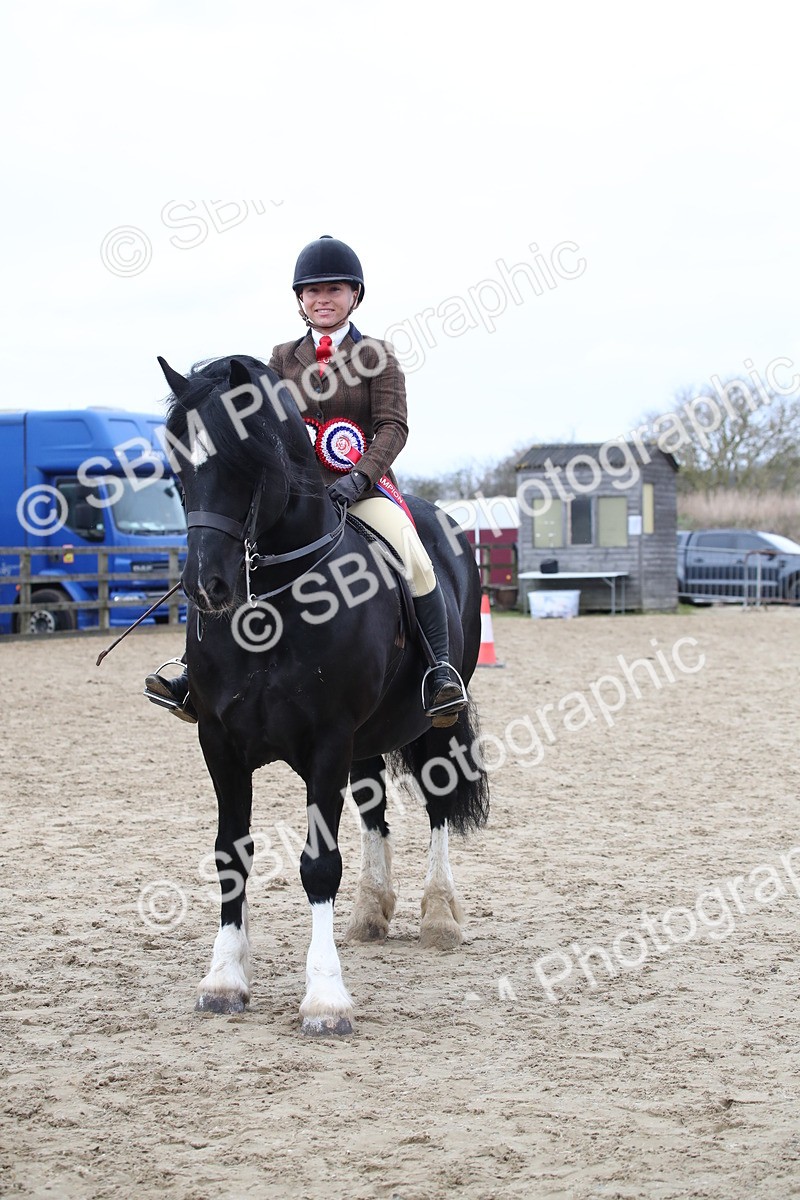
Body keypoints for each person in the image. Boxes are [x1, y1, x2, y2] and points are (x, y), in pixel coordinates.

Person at [144, 235, 467, 728]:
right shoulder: (280, 358)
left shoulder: (378, 355)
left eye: (334, 289)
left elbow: (393, 427)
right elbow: (264, 429)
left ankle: (439, 671)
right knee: (225, 554)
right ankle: (196, 672)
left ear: (354, 295)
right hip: (293, 497)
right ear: (300, 299)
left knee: (415, 556)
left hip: (361, 491)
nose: (322, 298)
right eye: (312, 290)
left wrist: (359, 478)